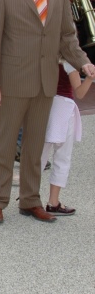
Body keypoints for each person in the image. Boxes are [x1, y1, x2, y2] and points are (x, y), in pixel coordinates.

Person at [0, 0, 95, 225]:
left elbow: (67, 36)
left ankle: (31, 201)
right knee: (6, 144)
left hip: (46, 79)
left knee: (36, 145)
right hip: (12, 79)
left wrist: (83, 62)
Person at [40, 60, 93, 216]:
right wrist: (90, 78)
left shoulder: (44, 53)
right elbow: (80, 93)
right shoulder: (69, 62)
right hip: (62, 108)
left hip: (43, 105)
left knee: (38, 155)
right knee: (62, 157)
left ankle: (29, 198)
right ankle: (53, 201)